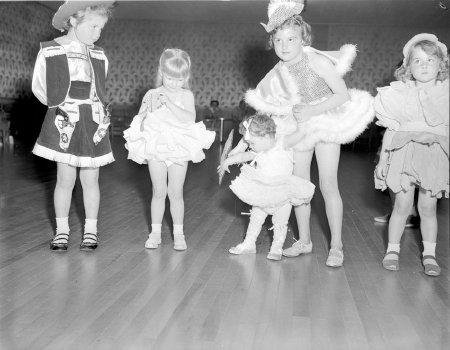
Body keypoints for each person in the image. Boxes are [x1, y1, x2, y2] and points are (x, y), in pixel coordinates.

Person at [229, 0, 374, 267]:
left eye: (291, 39)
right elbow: (270, 112)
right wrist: (244, 143)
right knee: (299, 187)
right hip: (297, 127)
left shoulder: (317, 61)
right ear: (272, 42)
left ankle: (337, 246)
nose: (285, 45)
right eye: (279, 40)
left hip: (326, 121)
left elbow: (341, 95)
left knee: (328, 184)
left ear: (302, 37)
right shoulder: (277, 73)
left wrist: (312, 110)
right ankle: (304, 241)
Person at [31, 0, 115, 251]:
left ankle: (91, 230)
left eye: (101, 28)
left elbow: (100, 86)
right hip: (65, 120)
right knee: (65, 179)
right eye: (93, 26)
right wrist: (62, 107)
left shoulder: (99, 54)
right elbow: (40, 88)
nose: (97, 33)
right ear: (74, 21)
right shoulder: (50, 51)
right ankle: (62, 231)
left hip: (92, 122)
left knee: (91, 178)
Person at [124, 48, 215, 250]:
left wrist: (169, 103)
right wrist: (147, 110)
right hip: (156, 145)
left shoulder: (186, 95)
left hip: (178, 146)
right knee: (158, 191)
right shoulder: (151, 93)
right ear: (161, 73)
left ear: (186, 77)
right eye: (169, 78)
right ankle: (155, 233)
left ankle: (179, 234)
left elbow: (189, 118)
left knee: (176, 192)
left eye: (179, 79)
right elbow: (138, 122)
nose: (174, 83)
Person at [375, 33, 449, 276]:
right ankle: (392, 250)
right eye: (417, 60)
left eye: (430, 60)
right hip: (404, 153)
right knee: (402, 206)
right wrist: (384, 158)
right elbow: (391, 129)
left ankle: (429, 255)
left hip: (434, 155)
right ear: (407, 66)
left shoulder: (446, 95)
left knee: (427, 208)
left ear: (441, 65)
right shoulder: (398, 94)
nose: (424, 65)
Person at [218, 114, 315, 260]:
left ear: (266, 136)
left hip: (282, 192)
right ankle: (249, 243)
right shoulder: (258, 150)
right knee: (256, 218)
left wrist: (302, 122)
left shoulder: (283, 143)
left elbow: (300, 134)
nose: (250, 146)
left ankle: (276, 247)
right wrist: (227, 162)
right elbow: (243, 157)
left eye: (252, 143)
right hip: (263, 191)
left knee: (280, 222)